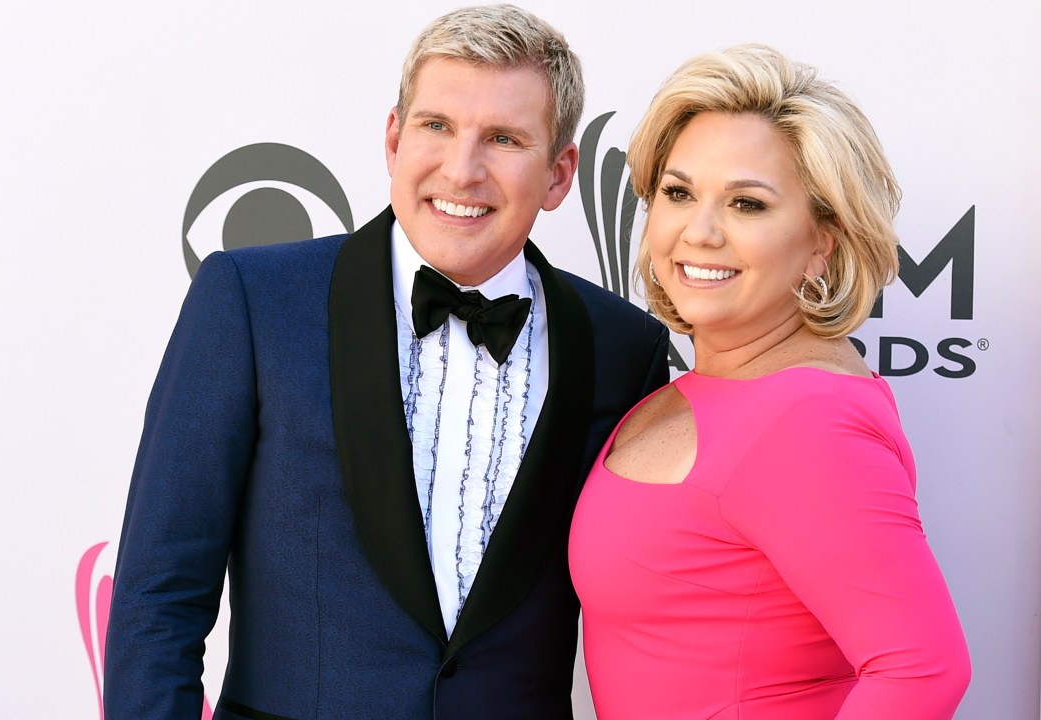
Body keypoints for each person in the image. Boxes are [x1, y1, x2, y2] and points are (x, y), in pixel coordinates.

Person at [103, 5, 668, 720]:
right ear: (395, 139)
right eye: (437, 126)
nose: (461, 170)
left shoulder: (623, 346)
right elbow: (157, 599)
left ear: (559, 175)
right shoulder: (253, 301)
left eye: (503, 138)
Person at [569, 44, 971, 719]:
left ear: (822, 242)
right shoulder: (697, 389)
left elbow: (923, 670)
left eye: (747, 204)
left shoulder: (807, 419)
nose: (699, 232)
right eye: (678, 193)